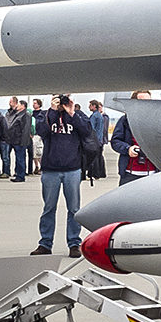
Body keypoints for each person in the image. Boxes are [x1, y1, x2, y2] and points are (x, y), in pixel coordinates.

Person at [31, 93, 95, 256]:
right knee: (49, 208)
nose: (61, 102)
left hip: (72, 168)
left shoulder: (78, 114)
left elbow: (87, 131)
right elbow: (41, 131)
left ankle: (74, 243)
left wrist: (72, 112)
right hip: (50, 169)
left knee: (74, 209)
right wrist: (52, 111)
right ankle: (45, 243)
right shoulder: (45, 114)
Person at [109, 93, 160, 186]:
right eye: (142, 101)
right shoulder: (125, 120)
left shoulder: (156, 121)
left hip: (153, 173)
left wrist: (154, 153)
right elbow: (115, 142)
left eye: (148, 101)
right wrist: (128, 149)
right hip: (130, 174)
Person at [1, 98, 32, 182]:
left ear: (23, 106)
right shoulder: (18, 114)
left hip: (20, 141)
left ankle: (21, 175)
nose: (17, 105)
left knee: (20, 158)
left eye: (18, 104)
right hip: (14, 140)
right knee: (18, 158)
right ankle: (18, 173)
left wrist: (23, 141)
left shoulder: (26, 115)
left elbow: (26, 129)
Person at [83, 99, 111, 184]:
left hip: (95, 140)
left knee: (94, 158)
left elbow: (91, 128)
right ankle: (100, 173)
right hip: (100, 139)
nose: (89, 107)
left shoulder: (95, 116)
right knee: (99, 157)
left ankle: (95, 173)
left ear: (94, 106)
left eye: (90, 105)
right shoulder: (99, 115)